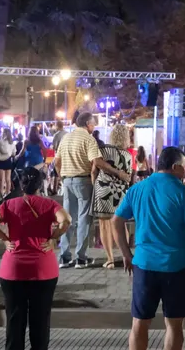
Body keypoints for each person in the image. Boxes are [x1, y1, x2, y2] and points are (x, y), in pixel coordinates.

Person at [114, 147, 185, 350]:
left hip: (144, 264)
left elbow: (117, 221)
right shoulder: (183, 192)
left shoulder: (137, 189)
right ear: (176, 166)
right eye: (184, 167)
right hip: (177, 266)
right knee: (174, 325)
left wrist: (126, 254)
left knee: (139, 323)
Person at [0, 167, 71, 350]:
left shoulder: (9, 205)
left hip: (13, 269)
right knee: (40, 322)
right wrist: (53, 237)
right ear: (41, 184)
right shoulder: (49, 205)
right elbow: (66, 220)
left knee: (14, 322)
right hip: (43, 269)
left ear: (20, 184)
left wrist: (5, 239)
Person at [56, 112, 130, 269]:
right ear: (88, 124)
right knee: (84, 219)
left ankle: (64, 257)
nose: (94, 127)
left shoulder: (66, 138)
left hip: (67, 181)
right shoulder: (88, 139)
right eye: (93, 124)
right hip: (83, 181)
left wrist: (62, 177)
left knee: (68, 218)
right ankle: (81, 258)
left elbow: (57, 162)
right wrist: (118, 173)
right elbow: (97, 162)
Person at [92, 124, 133, 269]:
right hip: (121, 192)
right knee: (121, 224)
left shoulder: (103, 150)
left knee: (104, 225)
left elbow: (94, 170)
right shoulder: (128, 155)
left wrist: (94, 185)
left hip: (103, 189)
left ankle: (110, 259)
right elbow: (129, 177)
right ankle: (124, 256)